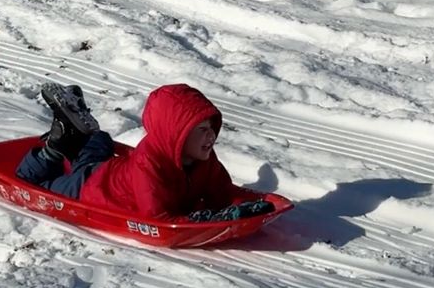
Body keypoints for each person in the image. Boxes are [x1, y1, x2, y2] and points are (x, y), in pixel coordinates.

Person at [15, 82, 270, 221]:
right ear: (176, 134)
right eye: (201, 130)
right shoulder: (149, 166)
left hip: (108, 171)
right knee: (28, 182)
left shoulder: (205, 159)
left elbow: (222, 194)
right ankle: (55, 148)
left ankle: (82, 134)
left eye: (211, 128)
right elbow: (157, 217)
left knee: (99, 143)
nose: (211, 136)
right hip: (92, 190)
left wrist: (244, 209)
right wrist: (199, 221)